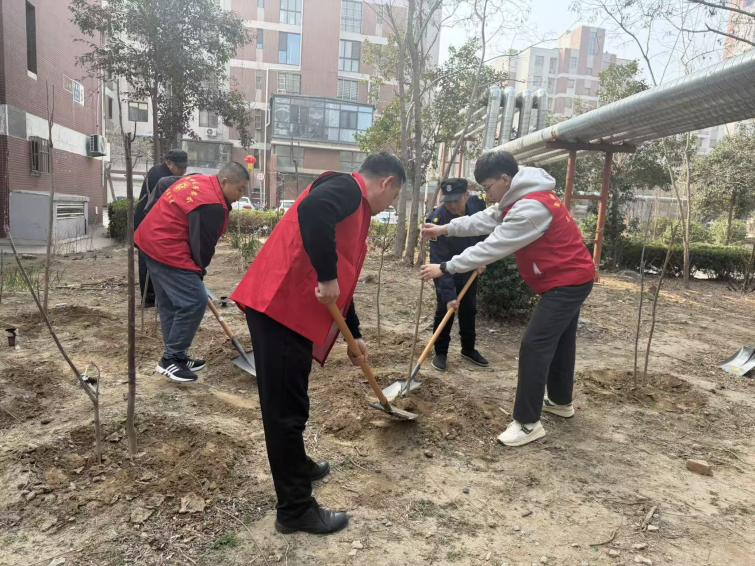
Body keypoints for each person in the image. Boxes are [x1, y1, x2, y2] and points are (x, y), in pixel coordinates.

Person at [231, 153, 406, 535]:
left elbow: (342, 277)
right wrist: (327, 277)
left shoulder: (354, 208)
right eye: (393, 198)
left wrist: (355, 334)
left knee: (293, 401)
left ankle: (299, 466)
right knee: (284, 412)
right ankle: (294, 509)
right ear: (387, 183)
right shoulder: (347, 189)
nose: (389, 206)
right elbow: (313, 212)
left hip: (288, 310)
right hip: (279, 307)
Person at [420, 151, 595, 448]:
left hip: (567, 282)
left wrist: (446, 267)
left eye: (488, 188)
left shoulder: (531, 208)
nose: (487, 195)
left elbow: (493, 246)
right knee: (562, 341)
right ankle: (560, 401)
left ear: (504, 179)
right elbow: (484, 219)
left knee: (534, 345)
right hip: (569, 277)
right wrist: (444, 228)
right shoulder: (519, 196)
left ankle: (527, 423)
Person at [135, 162, 248, 383]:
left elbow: (165, 183)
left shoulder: (200, 180)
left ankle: (176, 357)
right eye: (240, 189)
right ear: (225, 182)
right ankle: (170, 359)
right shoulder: (213, 204)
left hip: (150, 239)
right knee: (195, 301)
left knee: (169, 303)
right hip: (166, 247)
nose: (241, 195)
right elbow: (203, 247)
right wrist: (198, 272)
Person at [426, 177, 489, 372]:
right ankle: (441, 352)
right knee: (446, 308)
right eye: (448, 201)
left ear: (466, 195)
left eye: (456, 200)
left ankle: (468, 349)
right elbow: (439, 260)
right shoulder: (437, 220)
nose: (452, 205)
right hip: (445, 271)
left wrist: (483, 259)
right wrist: (449, 296)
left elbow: (485, 234)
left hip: (470, 268)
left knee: (469, 309)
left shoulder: (478, 206)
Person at [135, 149, 189, 307]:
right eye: (180, 167)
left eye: (185, 168)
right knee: (148, 261)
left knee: (153, 260)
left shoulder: (163, 173)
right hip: (146, 224)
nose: (182, 171)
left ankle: (154, 297)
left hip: (151, 223)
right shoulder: (161, 176)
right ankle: (149, 298)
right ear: (169, 163)